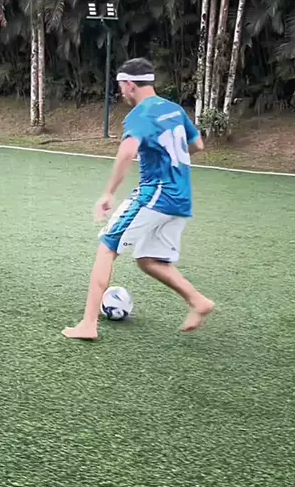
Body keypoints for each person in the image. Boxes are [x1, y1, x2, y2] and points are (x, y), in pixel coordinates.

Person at [63, 58, 215, 340]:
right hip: (181, 199)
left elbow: (127, 152)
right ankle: (198, 301)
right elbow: (197, 144)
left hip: (155, 194)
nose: (121, 92)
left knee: (106, 248)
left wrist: (109, 193)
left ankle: (88, 324)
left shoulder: (139, 115)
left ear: (130, 84)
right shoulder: (174, 109)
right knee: (148, 259)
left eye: (121, 86)